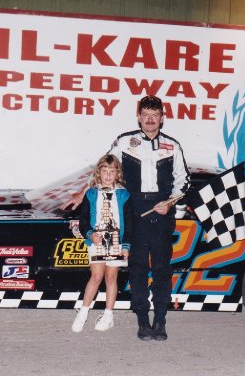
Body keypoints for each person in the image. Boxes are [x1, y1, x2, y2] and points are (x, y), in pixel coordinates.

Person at [65, 96, 190, 341]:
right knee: (138, 269)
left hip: (163, 211)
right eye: (145, 114)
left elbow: (183, 181)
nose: (150, 119)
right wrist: (81, 193)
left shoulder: (173, 146)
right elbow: (103, 168)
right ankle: (143, 321)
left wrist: (170, 202)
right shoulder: (124, 142)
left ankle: (161, 321)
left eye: (155, 115)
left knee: (163, 270)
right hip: (135, 212)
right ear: (139, 117)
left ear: (162, 118)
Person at [71, 154, 133, 333]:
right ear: (99, 173)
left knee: (111, 277)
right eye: (104, 171)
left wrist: (126, 246)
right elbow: (83, 221)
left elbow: (129, 223)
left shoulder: (123, 194)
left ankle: (108, 315)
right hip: (96, 240)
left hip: (116, 241)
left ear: (117, 173)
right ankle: (83, 312)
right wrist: (90, 235)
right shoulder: (91, 194)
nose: (107, 175)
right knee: (96, 276)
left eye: (111, 171)